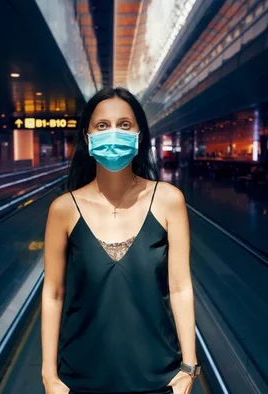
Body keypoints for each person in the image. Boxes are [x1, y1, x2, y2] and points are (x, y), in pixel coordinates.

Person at [41, 87, 200, 394]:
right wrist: (50, 376)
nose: (113, 133)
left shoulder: (168, 201)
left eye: (124, 124)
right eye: (102, 125)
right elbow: (54, 293)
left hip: (158, 378)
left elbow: (180, 287)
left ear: (139, 137)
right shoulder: (63, 209)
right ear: (87, 139)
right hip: (81, 379)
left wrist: (188, 368)